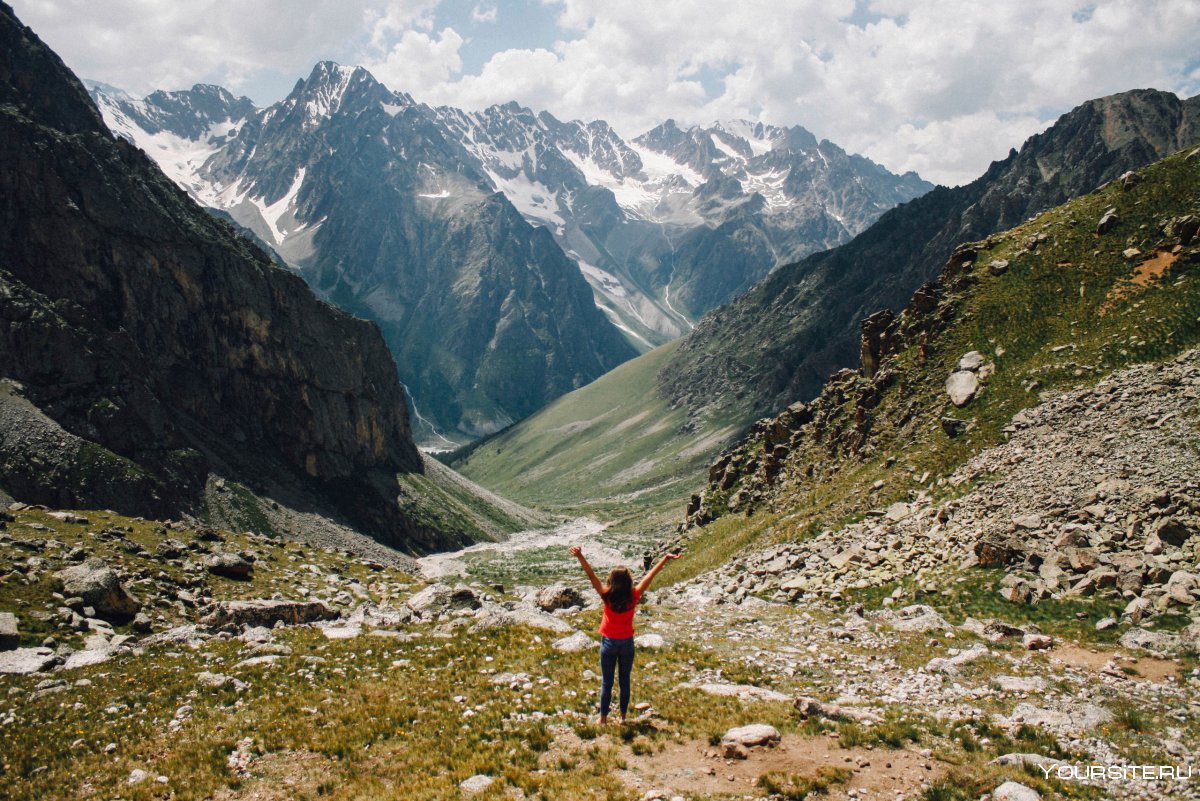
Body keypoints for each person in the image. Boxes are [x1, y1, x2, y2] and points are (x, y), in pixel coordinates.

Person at [569, 545, 681, 725]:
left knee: (607, 682)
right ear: (628, 580)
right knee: (624, 681)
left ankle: (603, 718)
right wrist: (665, 559)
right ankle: (622, 718)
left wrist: (580, 556)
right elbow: (650, 576)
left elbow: (591, 576)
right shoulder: (634, 595)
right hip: (627, 643)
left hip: (608, 643)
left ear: (611, 581)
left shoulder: (606, 595)